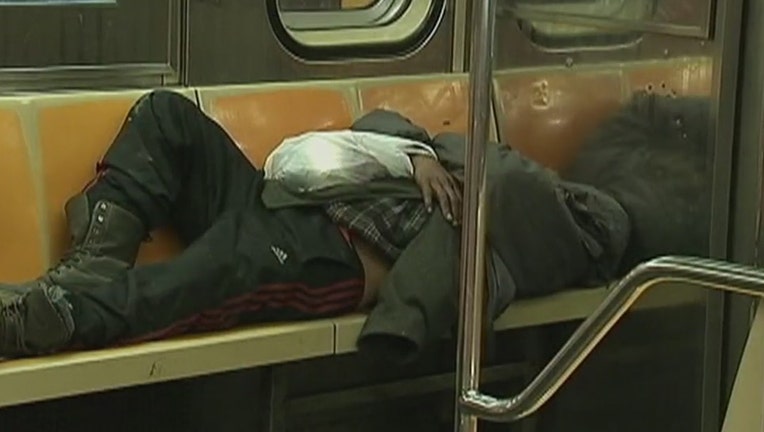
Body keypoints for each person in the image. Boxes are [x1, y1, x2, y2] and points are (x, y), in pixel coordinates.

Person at [0, 90, 462, 358]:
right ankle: (91, 267)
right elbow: (373, 125)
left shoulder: (480, 214)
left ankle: (55, 320)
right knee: (166, 113)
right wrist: (415, 155)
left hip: (330, 255)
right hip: (276, 196)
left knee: (208, 271)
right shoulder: (431, 151)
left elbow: (451, 284)